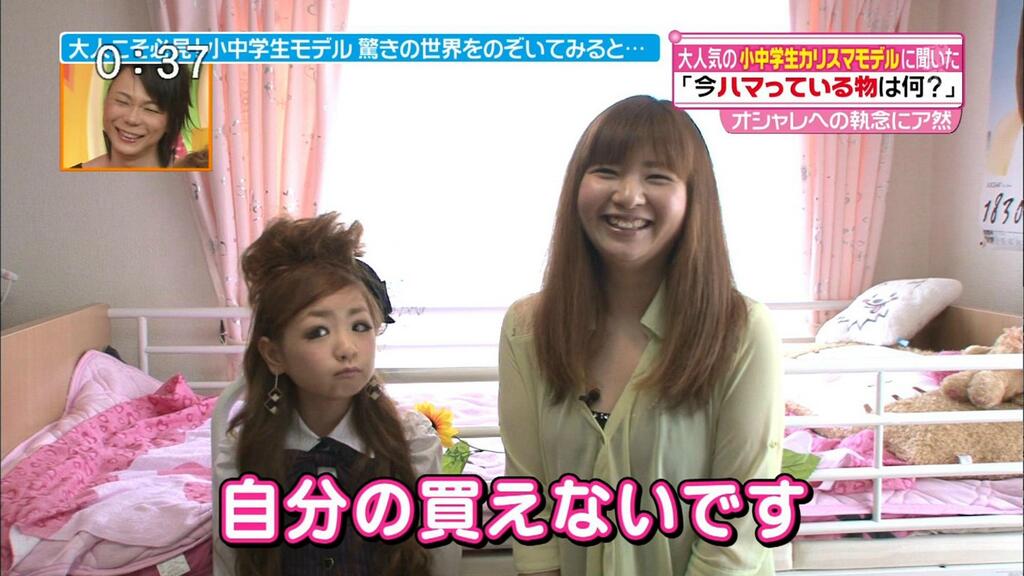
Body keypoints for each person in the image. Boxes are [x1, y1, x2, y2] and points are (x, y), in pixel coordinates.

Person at [498, 95, 783, 575]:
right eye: (607, 171)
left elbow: (740, 522)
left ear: (693, 198)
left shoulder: (741, 331)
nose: (628, 195)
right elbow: (530, 501)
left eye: (657, 176)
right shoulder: (527, 327)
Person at [213, 212, 457, 576]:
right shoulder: (243, 452)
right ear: (274, 354)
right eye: (318, 332)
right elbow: (232, 564)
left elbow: (440, 560)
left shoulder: (412, 441)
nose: (347, 348)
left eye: (360, 326)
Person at [78, 64, 192, 168]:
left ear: (171, 121)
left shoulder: (187, 179)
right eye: (122, 101)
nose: (132, 119)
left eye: (150, 109)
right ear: (105, 101)